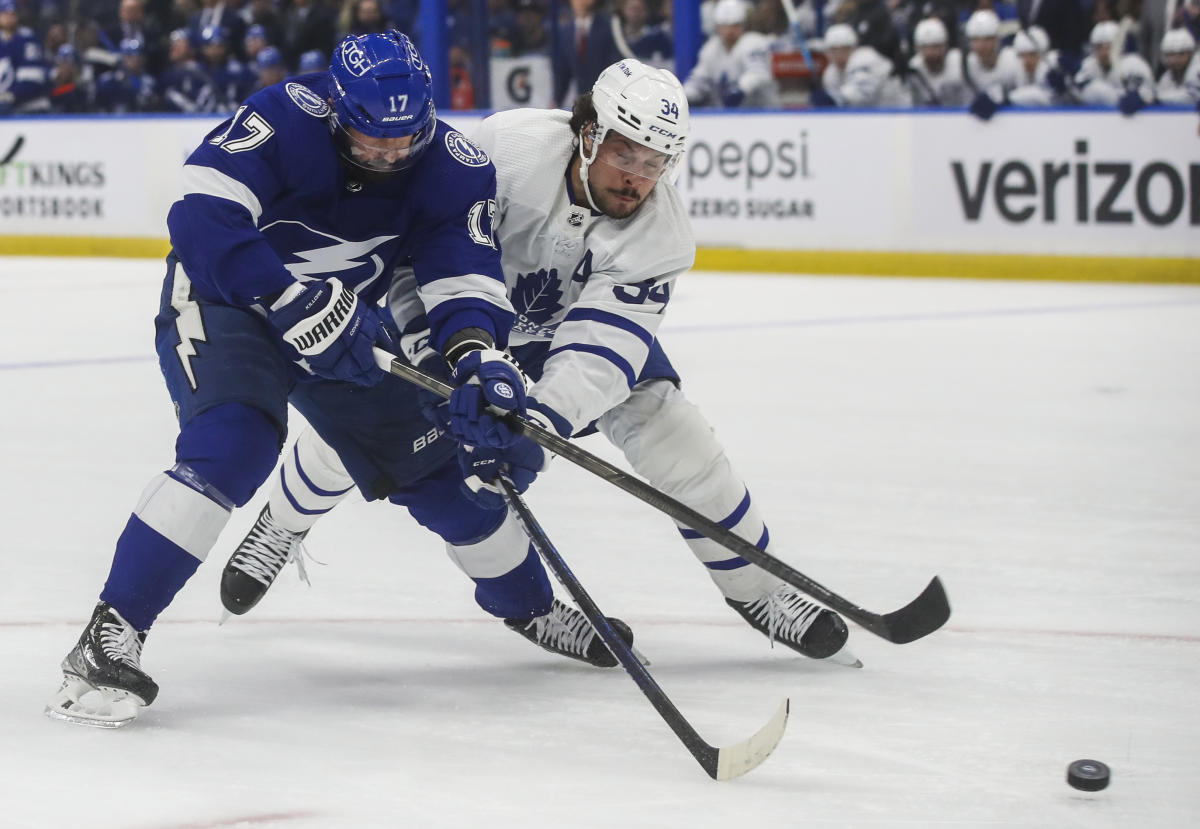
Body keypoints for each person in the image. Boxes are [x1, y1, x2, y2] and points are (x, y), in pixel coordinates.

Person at [45, 30, 629, 729]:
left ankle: (533, 608)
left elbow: (458, 270)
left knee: (446, 476)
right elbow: (201, 213)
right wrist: (285, 298)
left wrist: (480, 357)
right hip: (230, 302)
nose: (388, 155)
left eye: (404, 141)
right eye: (370, 140)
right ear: (336, 111)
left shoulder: (453, 165)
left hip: (345, 324)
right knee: (234, 444)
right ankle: (109, 635)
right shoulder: (285, 115)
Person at [219, 58, 858, 669]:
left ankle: (760, 590)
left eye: (656, 161)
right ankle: (282, 521)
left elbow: (604, 348)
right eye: (626, 154)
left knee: (670, 429)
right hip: (459, 323)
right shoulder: (509, 149)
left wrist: (539, 425)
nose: (639, 177)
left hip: (560, 335)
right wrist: (440, 355)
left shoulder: (660, 233)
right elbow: (424, 250)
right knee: (367, 428)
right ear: (588, 134)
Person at [683, 0, 779, 108]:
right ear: (718, 26)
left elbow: (758, 73)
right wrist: (684, 96)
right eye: (725, 26)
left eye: (735, 25)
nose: (730, 31)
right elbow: (699, 80)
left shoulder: (753, 42)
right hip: (727, 116)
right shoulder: (711, 48)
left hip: (762, 114)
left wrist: (740, 89)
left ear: (742, 25)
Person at [813, 23, 910, 108]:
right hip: (870, 118)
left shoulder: (865, 58)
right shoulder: (831, 72)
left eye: (844, 49)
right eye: (833, 50)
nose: (837, 54)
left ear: (852, 48)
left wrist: (832, 98)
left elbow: (859, 95)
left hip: (898, 113)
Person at [962, 9, 1023, 118]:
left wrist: (1006, 99)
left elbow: (1033, 95)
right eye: (976, 40)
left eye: (987, 39)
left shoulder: (1013, 61)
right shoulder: (965, 65)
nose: (981, 45)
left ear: (997, 40)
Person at [907, 17, 971, 107]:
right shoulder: (914, 68)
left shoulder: (960, 62)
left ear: (945, 45)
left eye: (936, 46)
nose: (931, 52)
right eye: (926, 47)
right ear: (918, 49)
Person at [0, 0, 50, 115]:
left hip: (30, 109)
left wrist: (10, 95)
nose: (9, 17)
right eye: (4, 13)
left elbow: (32, 80)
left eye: (12, 13)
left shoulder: (27, 40)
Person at [1155, 28, 1199, 104]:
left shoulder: (1197, 69)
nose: (1176, 59)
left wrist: (1159, 98)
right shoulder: (1167, 76)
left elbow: (1192, 96)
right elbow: (1159, 92)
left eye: (1181, 54)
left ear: (1190, 54)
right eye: (1171, 55)